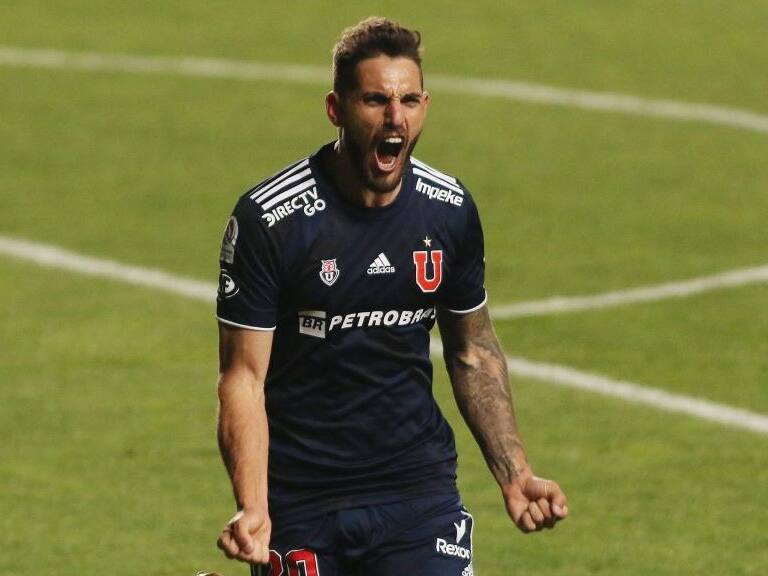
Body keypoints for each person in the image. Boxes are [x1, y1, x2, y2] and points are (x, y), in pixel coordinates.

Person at [214, 16, 568, 576]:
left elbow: (471, 352)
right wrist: (253, 505)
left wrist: (516, 473)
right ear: (337, 109)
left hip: (416, 493)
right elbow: (243, 378)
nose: (395, 118)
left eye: (409, 99)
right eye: (376, 99)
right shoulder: (271, 220)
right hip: (303, 499)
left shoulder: (447, 211)